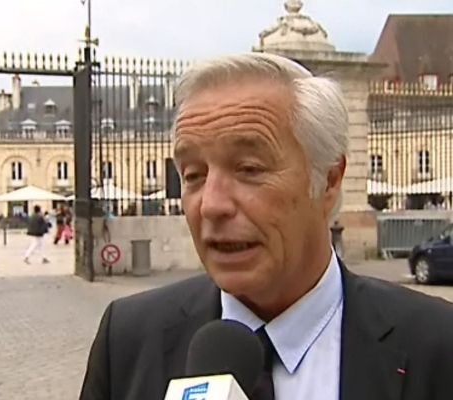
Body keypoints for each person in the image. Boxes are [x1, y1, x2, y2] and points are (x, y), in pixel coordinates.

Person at [79, 53, 453, 400]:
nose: (211, 205)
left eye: (249, 170)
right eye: (193, 175)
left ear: (329, 180)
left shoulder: (437, 343)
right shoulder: (127, 339)